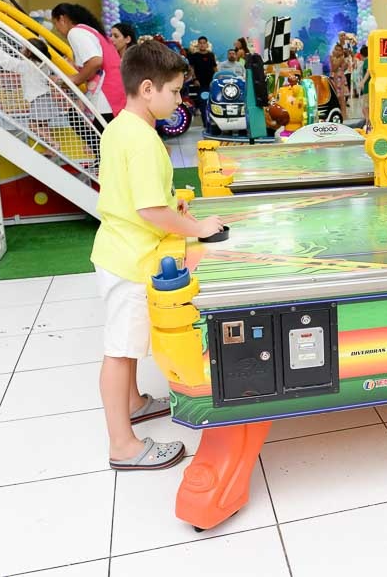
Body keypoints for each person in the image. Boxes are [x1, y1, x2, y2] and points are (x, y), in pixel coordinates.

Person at [90, 40, 224, 471]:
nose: (180, 100)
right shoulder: (144, 140)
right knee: (119, 349)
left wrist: (171, 202)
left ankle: (133, 403)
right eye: (175, 91)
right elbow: (148, 210)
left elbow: (138, 195)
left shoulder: (121, 126)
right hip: (130, 258)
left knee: (126, 344)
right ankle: (122, 445)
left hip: (118, 249)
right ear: (148, 89)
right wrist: (197, 228)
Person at [51, 3, 126, 124]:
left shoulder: (75, 32)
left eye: (55, 24)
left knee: (76, 119)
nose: (57, 29)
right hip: (115, 93)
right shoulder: (91, 31)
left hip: (104, 98)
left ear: (62, 19)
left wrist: (76, 79)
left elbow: (95, 61)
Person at [0, 37, 70, 149]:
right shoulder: (42, 64)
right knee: (43, 125)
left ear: (29, 52)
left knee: (33, 126)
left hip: (39, 99)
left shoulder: (28, 65)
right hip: (45, 97)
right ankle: (51, 149)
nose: (20, 49)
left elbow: (9, 62)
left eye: (23, 48)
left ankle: (54, 144)